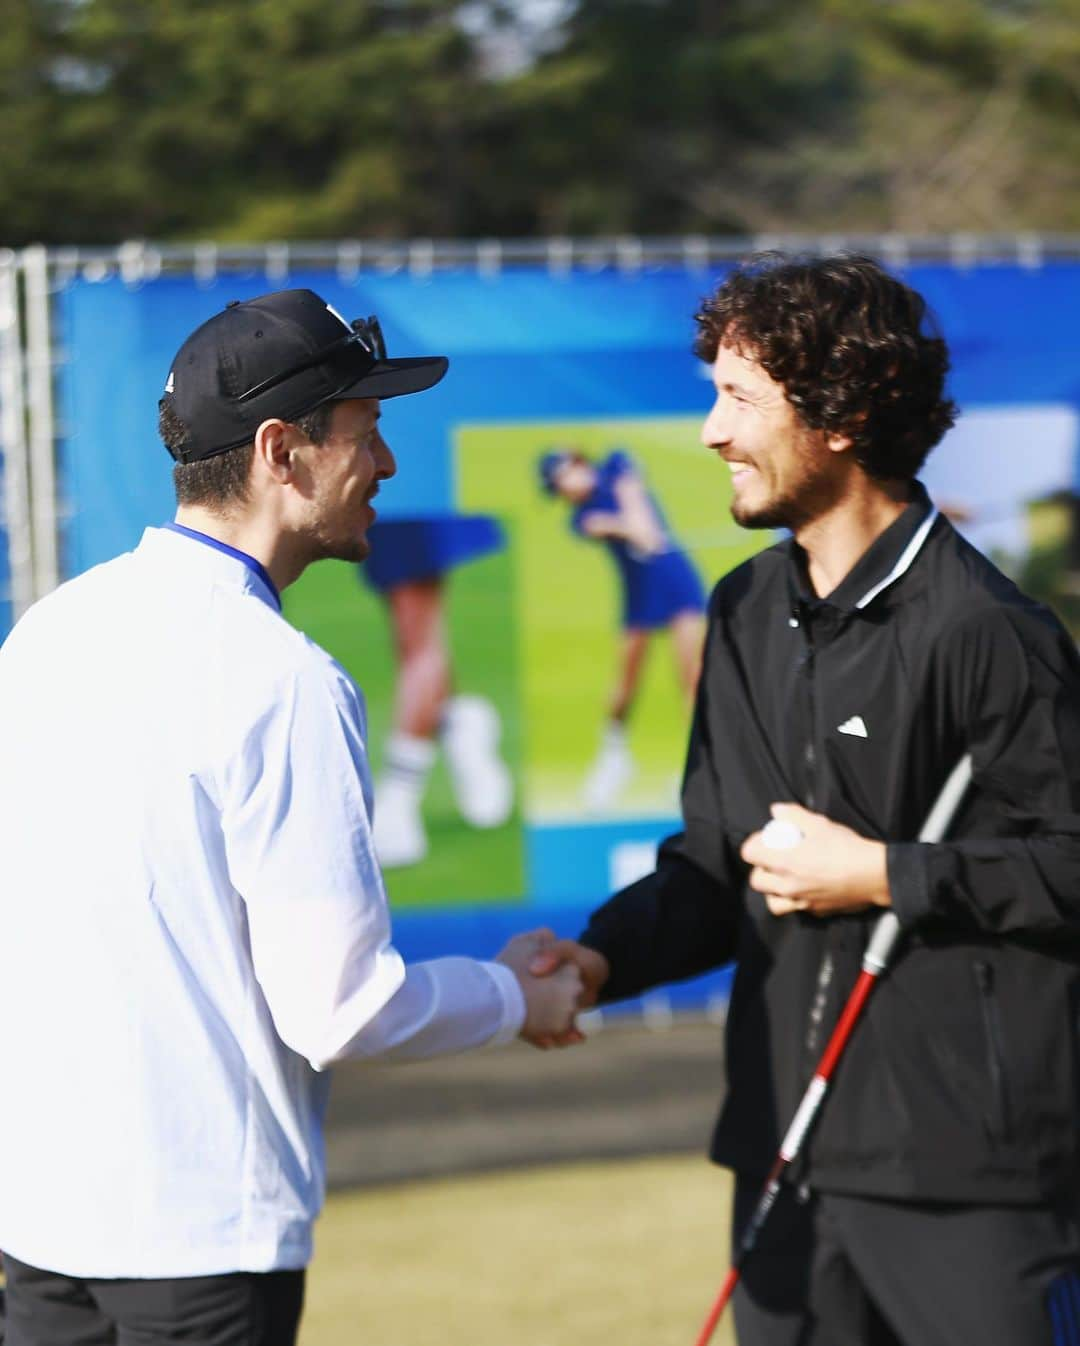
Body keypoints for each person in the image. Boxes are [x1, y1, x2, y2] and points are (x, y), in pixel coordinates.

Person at [0, 288, 583, 1346]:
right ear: (282, 450)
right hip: (200, 1246)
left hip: (41, 1228)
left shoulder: (48, 632)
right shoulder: (283, 678)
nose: (388, 465)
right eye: (367, 431)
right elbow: (340, 1007)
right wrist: (516, 997)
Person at [528, 254, 1080, 1344]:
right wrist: (601, 960)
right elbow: (712, 861)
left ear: (844, 415)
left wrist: (883, 874)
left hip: (972, 1176)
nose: (711, 433)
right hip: (783, 1147)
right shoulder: (741, 611)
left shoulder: (990, 634)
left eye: (739, 398)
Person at [538, 446, 706, 810]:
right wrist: (637, 531)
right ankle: (614, 757)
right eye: (558, 487)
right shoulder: (582, 518)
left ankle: (698, 766)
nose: (564, 490)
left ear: (575, 466)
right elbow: (630, 530)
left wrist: (641, 527)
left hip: (677, 580)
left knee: (691, 678)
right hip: (640, 593)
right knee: (626, 682)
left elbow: (637, 509)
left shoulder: (617, 464)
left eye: (561, 479)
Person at [360, 514, 514, 868]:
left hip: (412, 488)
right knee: (408, 622)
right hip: (386, 489)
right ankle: (461, 722)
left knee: (415, 618)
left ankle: (400, 800)